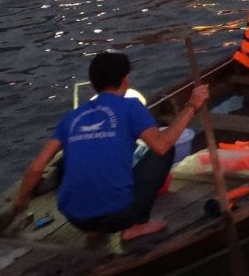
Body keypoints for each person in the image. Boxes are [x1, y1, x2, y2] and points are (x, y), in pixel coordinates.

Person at [11, 51, 209, 241]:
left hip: (75, 218)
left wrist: (20, 202)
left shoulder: (71, 117)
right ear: (125, 80)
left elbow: (37, 167)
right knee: (164, 153)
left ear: (92, 85)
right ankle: (135, 225)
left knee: (68, 157)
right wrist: (192, 105)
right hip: (119, 215)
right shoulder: (131, 106)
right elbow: (162, 146)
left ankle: (94, 230)